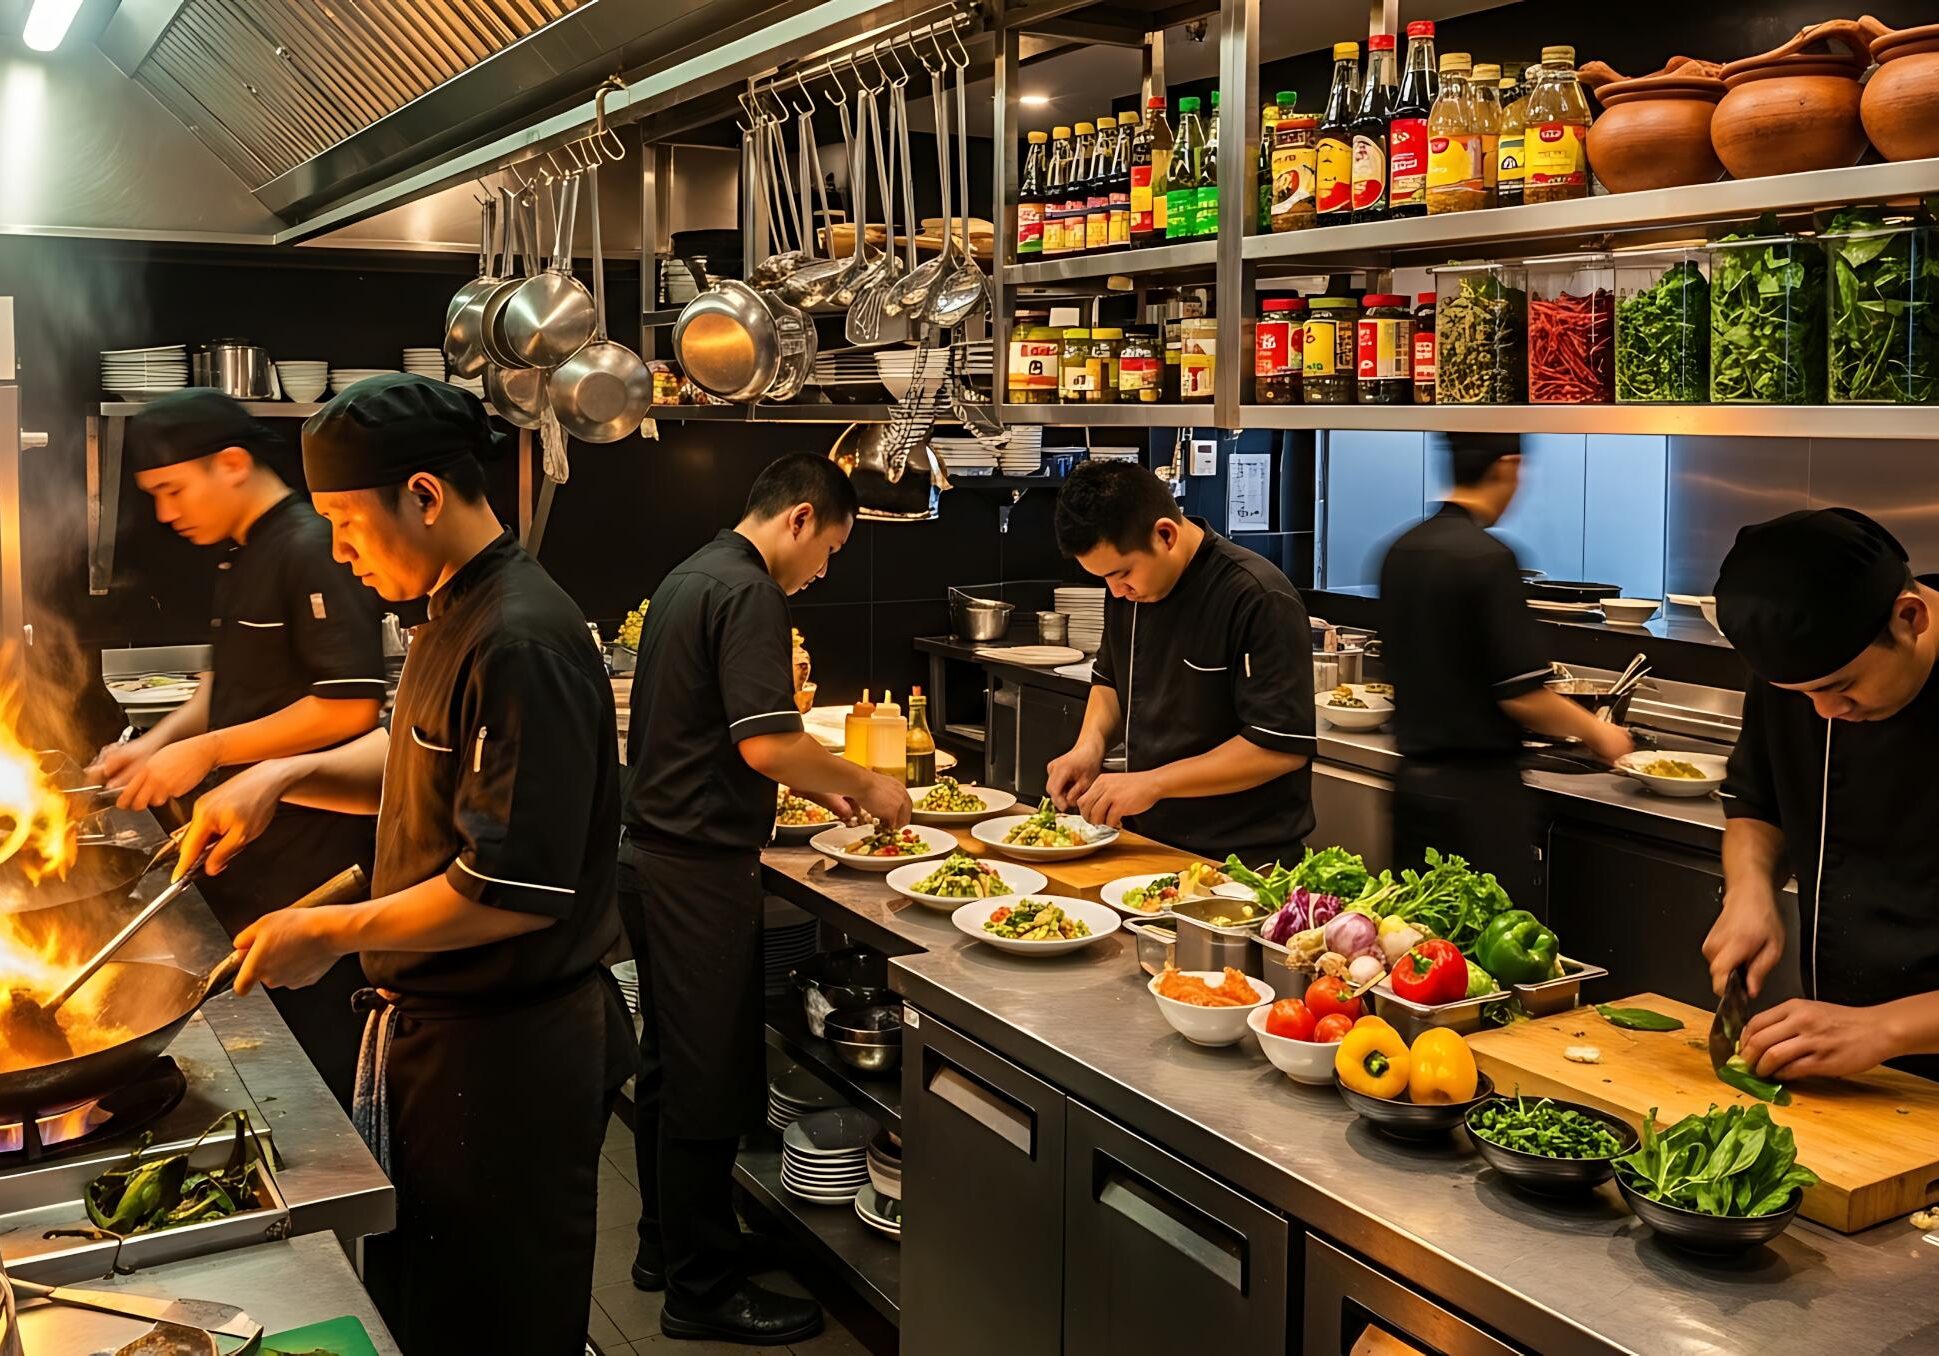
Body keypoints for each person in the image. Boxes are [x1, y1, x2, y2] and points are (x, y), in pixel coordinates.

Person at [176, 375, 632, 1354]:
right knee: (431, 1308)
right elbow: (417, 761)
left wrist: (327, 933)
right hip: (446, 1046)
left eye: (347, 523)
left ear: (423, 495)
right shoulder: (449, 607)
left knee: (495, 1325)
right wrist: (280, 775)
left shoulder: (520, 639)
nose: (339, 552)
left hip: (508, 1060)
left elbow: (506, 894)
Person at [620, 452, 908, 1345]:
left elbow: (727, 730)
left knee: (670, 1068)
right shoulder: (749, 592)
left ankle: (669, 1245)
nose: (821, 571)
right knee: (706, 1079)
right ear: (799, 519)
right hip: (697, 867)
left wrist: (823, 785)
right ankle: (701, 1291)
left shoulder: (691, 574)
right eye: (829, 550)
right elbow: (767, 745)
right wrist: (868, 781)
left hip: (651, 856)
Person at [92, 388, 386, 1107]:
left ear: (230, 464)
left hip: (309, 856)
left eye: (172, 490)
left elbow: (349, 705)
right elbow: (225, 687)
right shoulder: (243, 553)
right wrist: (155, 744)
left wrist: (211, 752)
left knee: (315, 1063)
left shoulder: (312, 546)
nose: (167, 513)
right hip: (246, 849)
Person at [1706, 508, 1939, 1082]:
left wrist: (1885, 1028)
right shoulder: (1801, 665)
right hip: (1851, 1063)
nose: (1825, 711)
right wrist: (1750, 890)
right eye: (1800, 694)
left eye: (1841, 687)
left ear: (1910, 618)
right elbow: (1757, 799)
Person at [1377, 434, 1632, 899]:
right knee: (1491, 937)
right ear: (1508, 466)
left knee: (1415, 932)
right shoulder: (1489, 558)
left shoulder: (1402, 549)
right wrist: (1601, 734)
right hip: (1479, 801)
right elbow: (1521, 695)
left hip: (1413, 790)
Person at [1045, 460, 1315, 865]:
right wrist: (1089, 747)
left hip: (1243, 862)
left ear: (1165, 535)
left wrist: (1153, 783)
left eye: (1122, 573)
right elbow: (1111, 679)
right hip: (1150, 845)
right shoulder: (1129, 592)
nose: (1116, 591)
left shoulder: (1257, 596)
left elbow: (1279, 747)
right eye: (1104, 579)